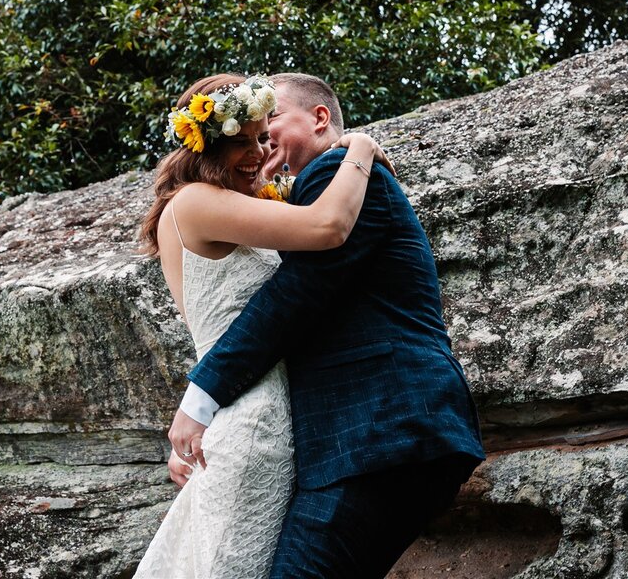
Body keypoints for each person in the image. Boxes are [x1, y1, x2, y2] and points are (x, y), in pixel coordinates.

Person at [168, 72, 486, 578]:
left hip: (378, 428)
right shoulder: (311, 190)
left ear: (320, 119)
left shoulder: (337, 172)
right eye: (252, 131)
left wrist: (201, 396)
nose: (265, 139)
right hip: (364, 434)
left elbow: (297, 295)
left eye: (272, 122)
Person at [135, 73, 392, 579]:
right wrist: (357, 147)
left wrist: (260, 173)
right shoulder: (195, 203)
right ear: (207, 143)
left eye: (263, 138)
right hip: (255, 423)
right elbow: (327, 227)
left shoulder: (234, 207)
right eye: (244, 141)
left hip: (258, 416)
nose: (260, 150)